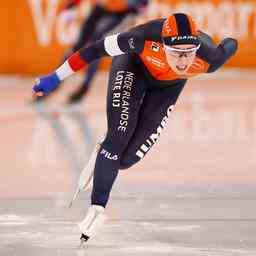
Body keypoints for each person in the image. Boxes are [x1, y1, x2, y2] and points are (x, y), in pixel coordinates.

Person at [32, 13, 238, 243]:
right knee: (118, 137)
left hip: (167, 88)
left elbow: (231, 44)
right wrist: (55, 78)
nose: (182, 61)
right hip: (132, 67)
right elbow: (93, 51)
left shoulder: (211, 59)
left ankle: (105, 149)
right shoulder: (140, 38)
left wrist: (230, 42)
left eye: (189, 53)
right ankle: (96, 209)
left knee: (127, 159)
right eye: (176, 53)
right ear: (162, 45)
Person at [36, 0, 148, 104]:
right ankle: (54, 83)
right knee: (78, 47)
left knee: (96, 46)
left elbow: (123, 5)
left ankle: (84, 87)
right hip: (103, 9)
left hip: (122, 14)